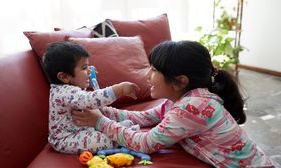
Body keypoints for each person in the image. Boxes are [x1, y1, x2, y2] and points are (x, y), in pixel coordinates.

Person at [71, 41, 274, 167]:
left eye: (153, 70)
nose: (146, 75)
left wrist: (100, 122)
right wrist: (102, 109)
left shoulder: (193, 107)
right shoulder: (179, 100)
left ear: (180, 81)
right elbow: (141, 118)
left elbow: (145, 143)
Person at [42, 41, 139, 154]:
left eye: (88, 66)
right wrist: (118, 90)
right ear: (64, 77)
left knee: (101, 122)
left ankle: (118, 131)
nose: (89, 71)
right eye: (84, 68)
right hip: (66, 139)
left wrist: (86, 70)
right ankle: (120, 138)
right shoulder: (63, 93)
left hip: (82, 130)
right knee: (100, 141)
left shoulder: (70, 87)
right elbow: (90, 100)